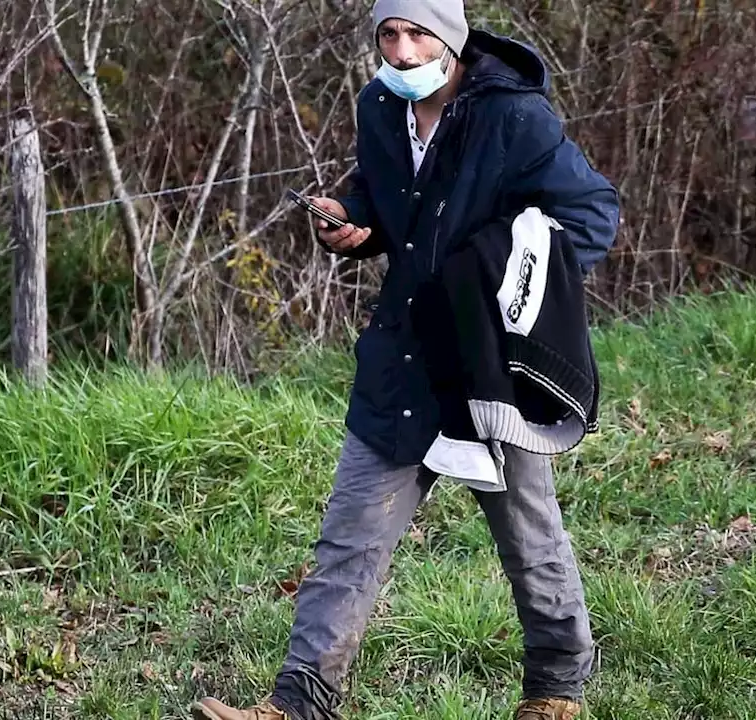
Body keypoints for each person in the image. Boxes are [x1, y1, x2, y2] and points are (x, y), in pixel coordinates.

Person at [190, 1, 619, 718]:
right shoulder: (380, 106)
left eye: (417, 32)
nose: (402, 48)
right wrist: (355, 224)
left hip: (488, 369)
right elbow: (389, 204)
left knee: (531, 542)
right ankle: (297, 704)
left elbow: (592, 216)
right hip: (401, 357)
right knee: (348, 541)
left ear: (450, 38)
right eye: (388, 33)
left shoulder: (515, 118)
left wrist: (498, 281)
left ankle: (555, 692)